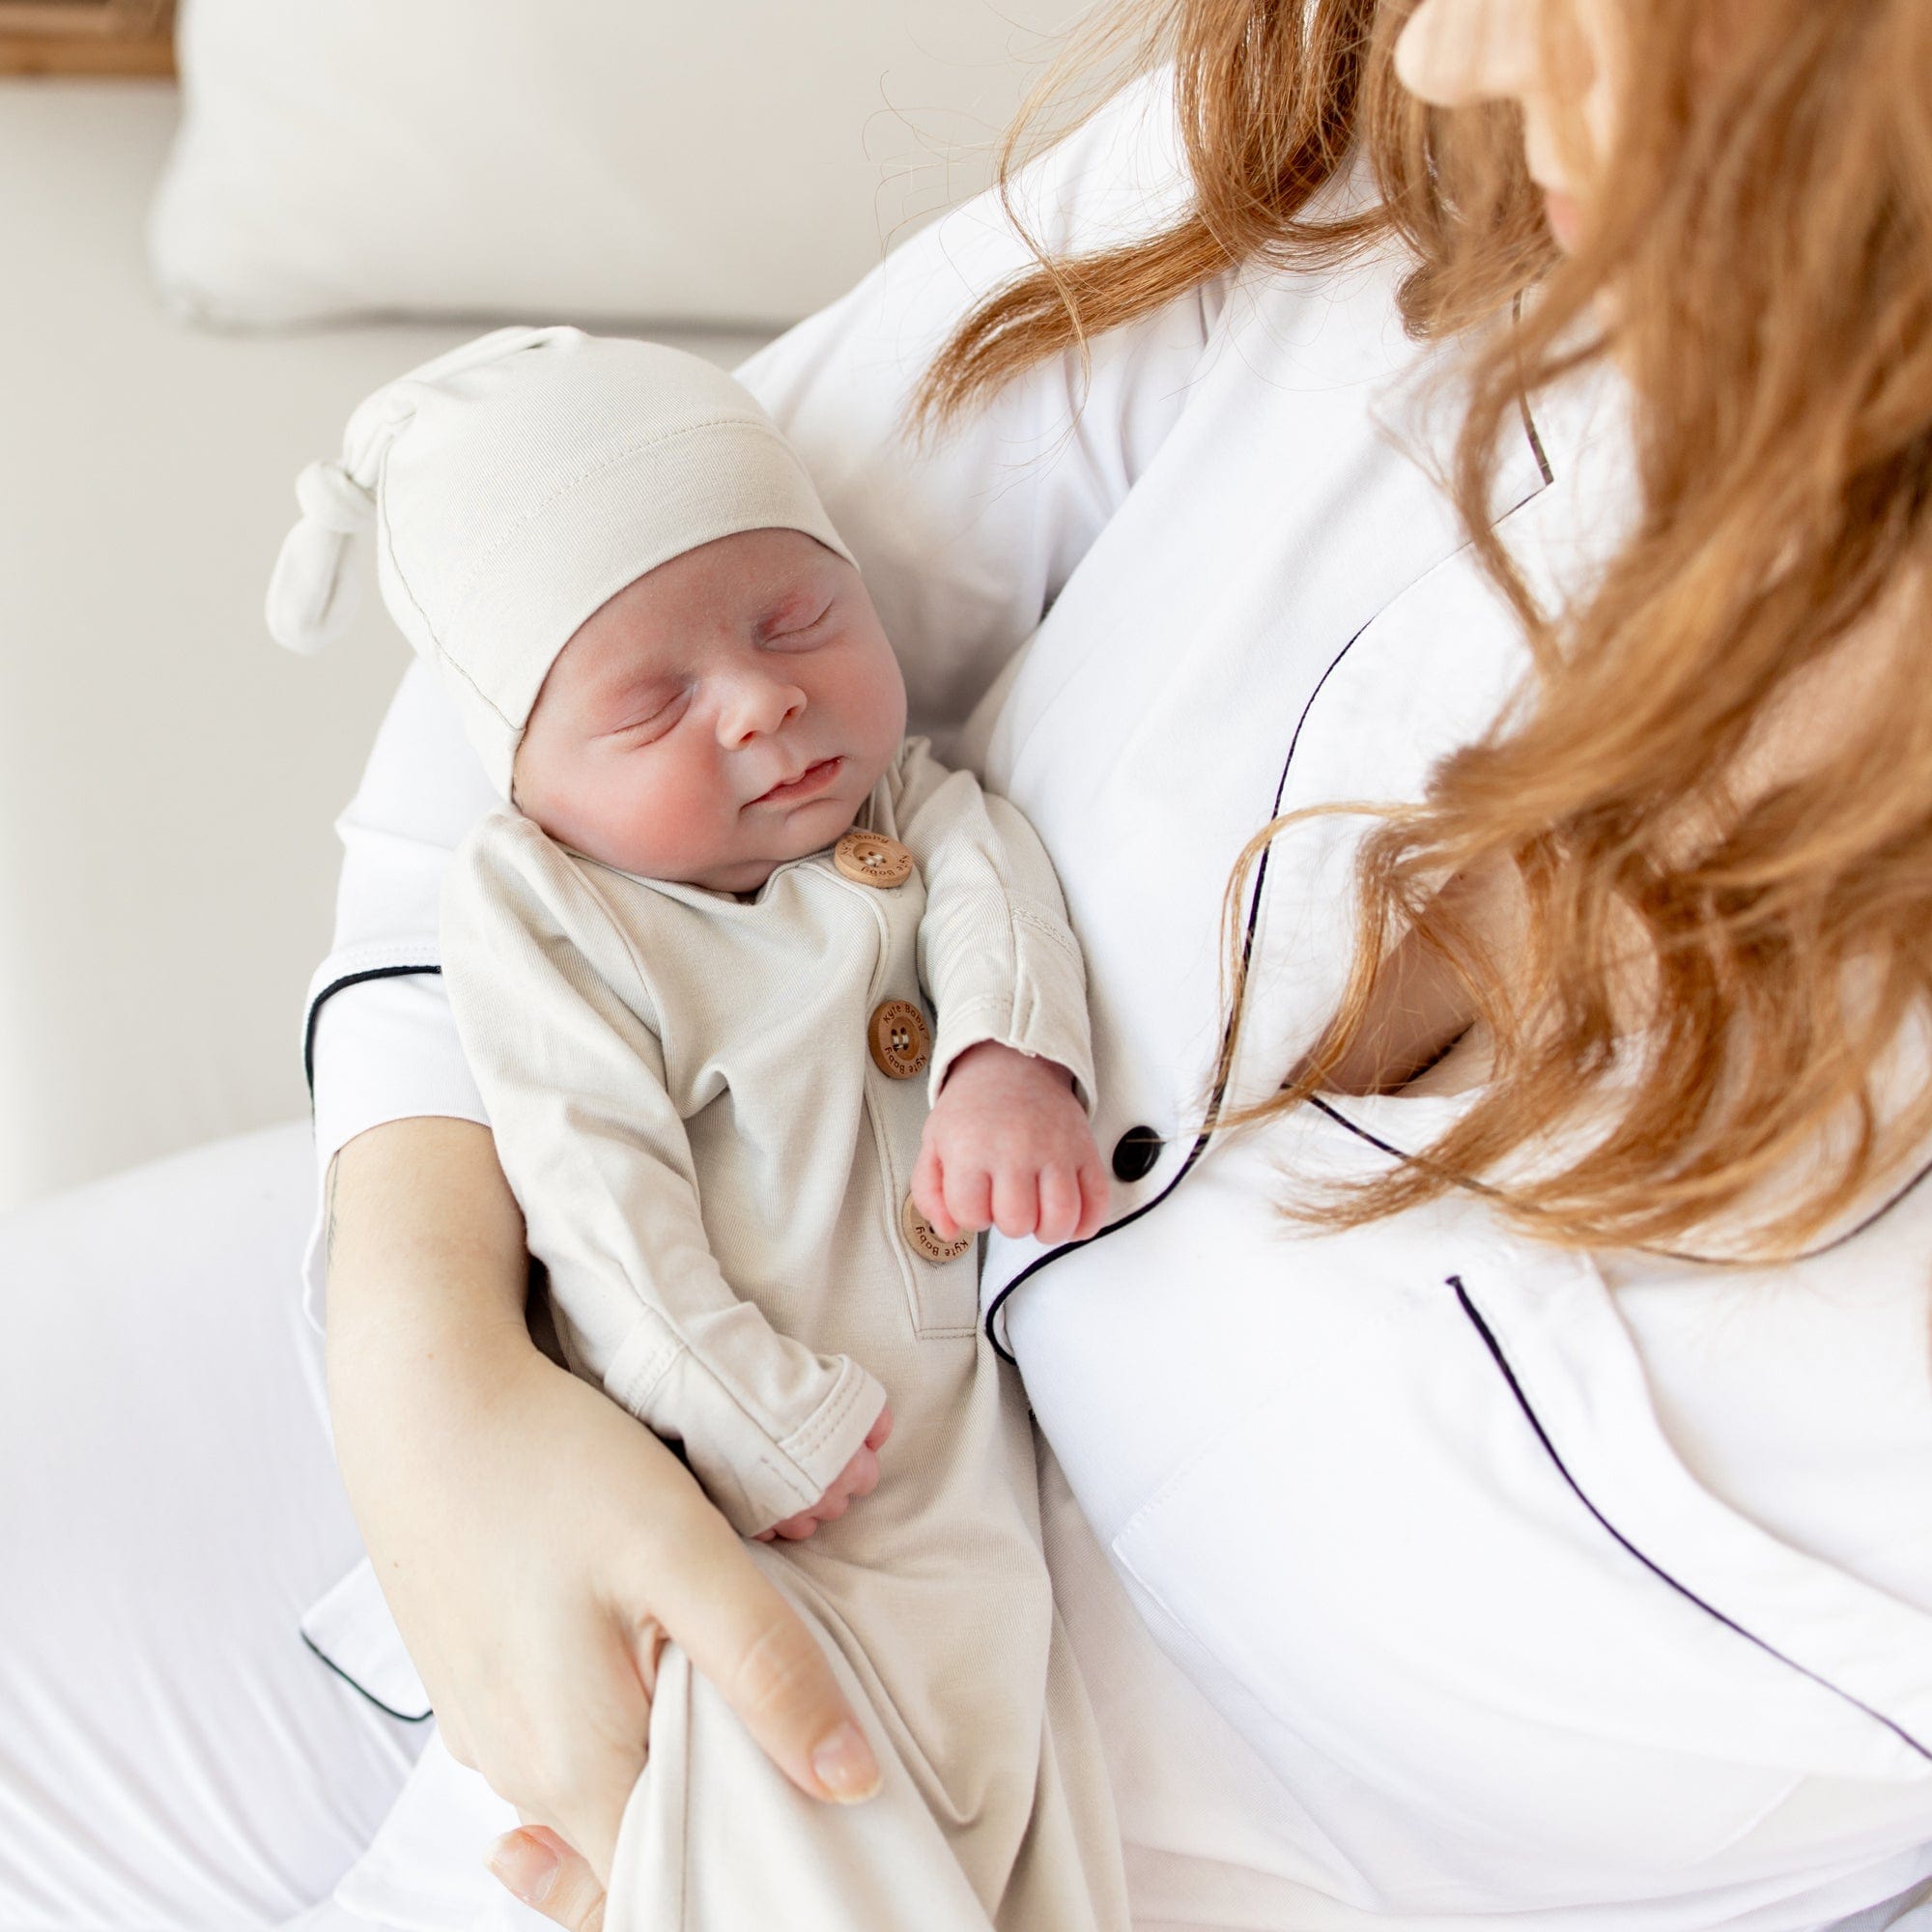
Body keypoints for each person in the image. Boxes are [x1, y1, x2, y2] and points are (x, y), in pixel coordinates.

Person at [4, 0, 1931, 1927]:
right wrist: (429, 1381)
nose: (1449, 54)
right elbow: (542, 643)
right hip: (512, 1378)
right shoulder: (1404, 159)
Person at [266, 326, 1122, 1931]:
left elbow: (1005, 917)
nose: (762, 703)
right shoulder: (552, 910)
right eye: (652, 703)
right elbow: (597, 1196)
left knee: (1019, 1823)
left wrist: (1011, 1069)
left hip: (957, 1487)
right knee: (781, 1793)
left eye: (801, 620)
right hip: (728, 1487)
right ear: (521, 778)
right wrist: (726, 1395)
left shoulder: (918, 815)